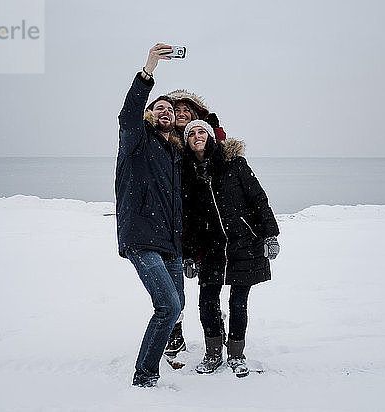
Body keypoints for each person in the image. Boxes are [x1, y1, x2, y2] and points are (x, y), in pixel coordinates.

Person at [181, 120, 280, 378]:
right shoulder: (188, 173)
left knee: (238, 302)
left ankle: (236, 354)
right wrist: (190, 254)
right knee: (206, 302)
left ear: (211, 136)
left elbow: (259, 198)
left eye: (201, 131)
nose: (197, 136)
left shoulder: (234, 164)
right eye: (191, 133)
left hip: (244, 244)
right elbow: (189, 219)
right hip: (211, 248)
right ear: (187, 141)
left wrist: (270, 235)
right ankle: (213, 353)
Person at [116, 43, 184, 387]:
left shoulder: (173, 153)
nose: (164, 111)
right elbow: (128, 114)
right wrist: (149, 71)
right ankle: (144, 376)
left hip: (168, 244)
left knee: (178, 303)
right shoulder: (136, 140)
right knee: (168, 307)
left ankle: (159, 354)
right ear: (149, 114)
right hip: (141, 238)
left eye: (169, 109)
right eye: (159, 107)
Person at [162, 90, 227, 359]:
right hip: (171, 220)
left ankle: (216, 326)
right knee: (172, 282)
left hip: (200, 222)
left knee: (207, 287)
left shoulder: (204, 140)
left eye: (186, 109)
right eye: (176, 110)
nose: (180, 113)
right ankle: (175, 334)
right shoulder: (163, 139)